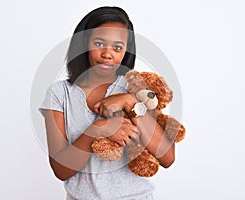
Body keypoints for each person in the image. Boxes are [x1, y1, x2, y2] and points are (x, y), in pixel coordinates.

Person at [39, 6, 175, 200]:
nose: (107, 54)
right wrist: (97, 129)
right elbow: (61, 170)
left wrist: (129, 102)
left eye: (118, 47)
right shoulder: (59, 94)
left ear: (126, 51)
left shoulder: (136, 87)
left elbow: (167, 157)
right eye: (99, 43)